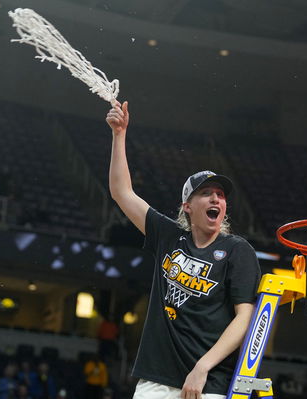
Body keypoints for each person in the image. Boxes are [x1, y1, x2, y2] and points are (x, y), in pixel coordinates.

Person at [106, 100, 261, 399]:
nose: (216, 199)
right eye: (206, 194)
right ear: (188, 206)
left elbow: (244, 319)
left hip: (209, 381)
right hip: (156, 377)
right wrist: (119, 134)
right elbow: (121, 192)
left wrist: (202, 368)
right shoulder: (168, 236)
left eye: (220, 195)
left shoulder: (237, 250)